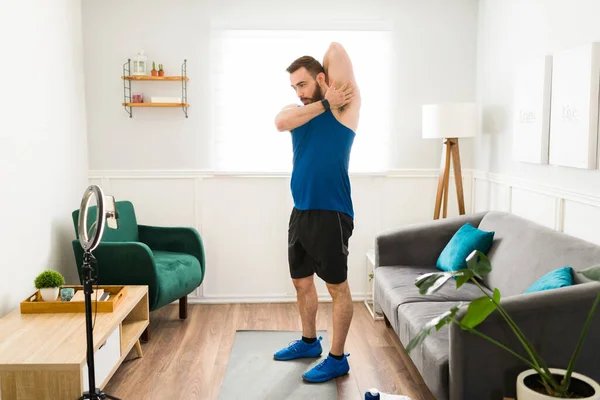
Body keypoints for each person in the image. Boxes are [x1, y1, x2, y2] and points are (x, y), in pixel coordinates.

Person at [273, 42, 361, 383]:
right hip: (301, 212)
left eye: (303, 84)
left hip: (331, 213)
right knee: (301, 282)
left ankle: (337, 358)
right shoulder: (304, 111)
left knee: (337, 288)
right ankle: (310, 342)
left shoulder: (344, 110)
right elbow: (280, 122)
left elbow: (336, 50)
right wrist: (321, 100)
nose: (298, 92)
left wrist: (328, 95)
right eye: (294, 87)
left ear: (320, 78)